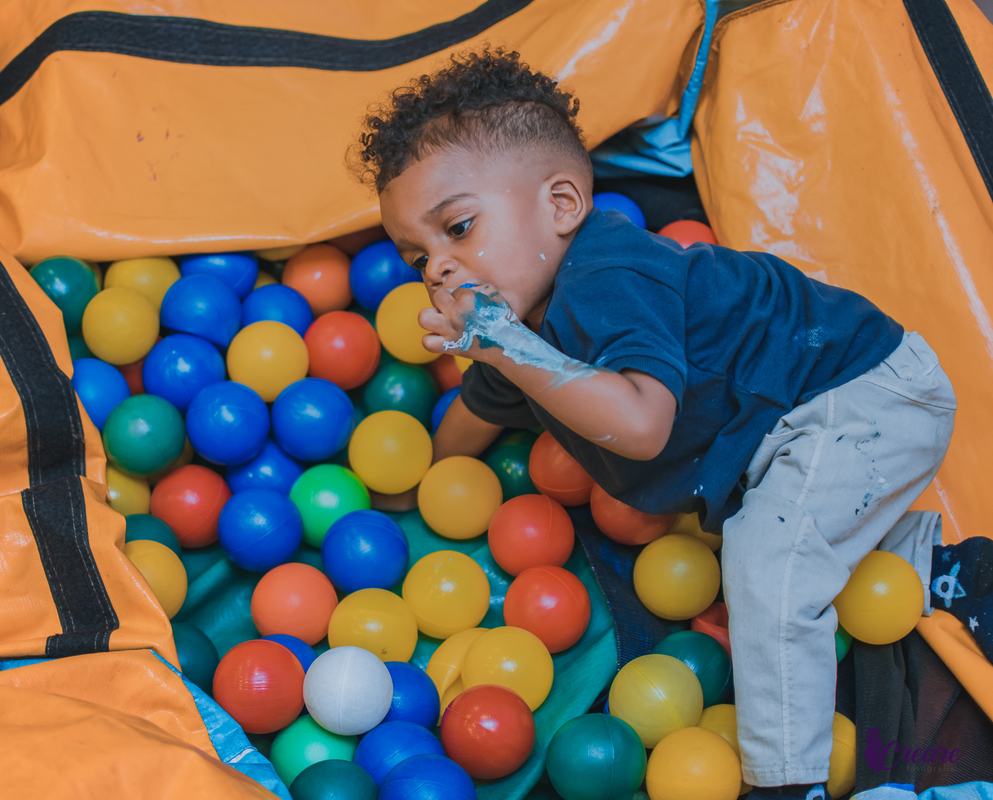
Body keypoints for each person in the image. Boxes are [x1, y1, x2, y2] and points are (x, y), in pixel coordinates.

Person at [350, 47, 985, 799]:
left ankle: (788, 782)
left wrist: (512, 351)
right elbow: (478, 415)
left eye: (458, 227)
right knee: (787, 529)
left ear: (561, 207)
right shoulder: (510, 335)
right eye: (415, 256)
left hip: (864, 394)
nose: (438, 269)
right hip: (793, 431)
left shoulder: (608, 273)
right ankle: (946, 572)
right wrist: (406, 490)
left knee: (764, 555)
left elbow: (644, 425)